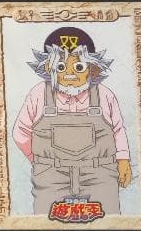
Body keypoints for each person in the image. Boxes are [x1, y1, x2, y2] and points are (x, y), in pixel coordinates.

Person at [12, 26, 132, 215]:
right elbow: (21, 132)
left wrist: (123, 160)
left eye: (79, 67)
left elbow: (118, 129)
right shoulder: (38, 94)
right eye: (60, 67)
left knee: (107, 222)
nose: (69, 73)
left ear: (92, 69)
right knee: (46, 222)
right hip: (51, 178)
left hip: (99, 175)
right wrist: (40, 161)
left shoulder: (104, 94)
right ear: (49, 68)